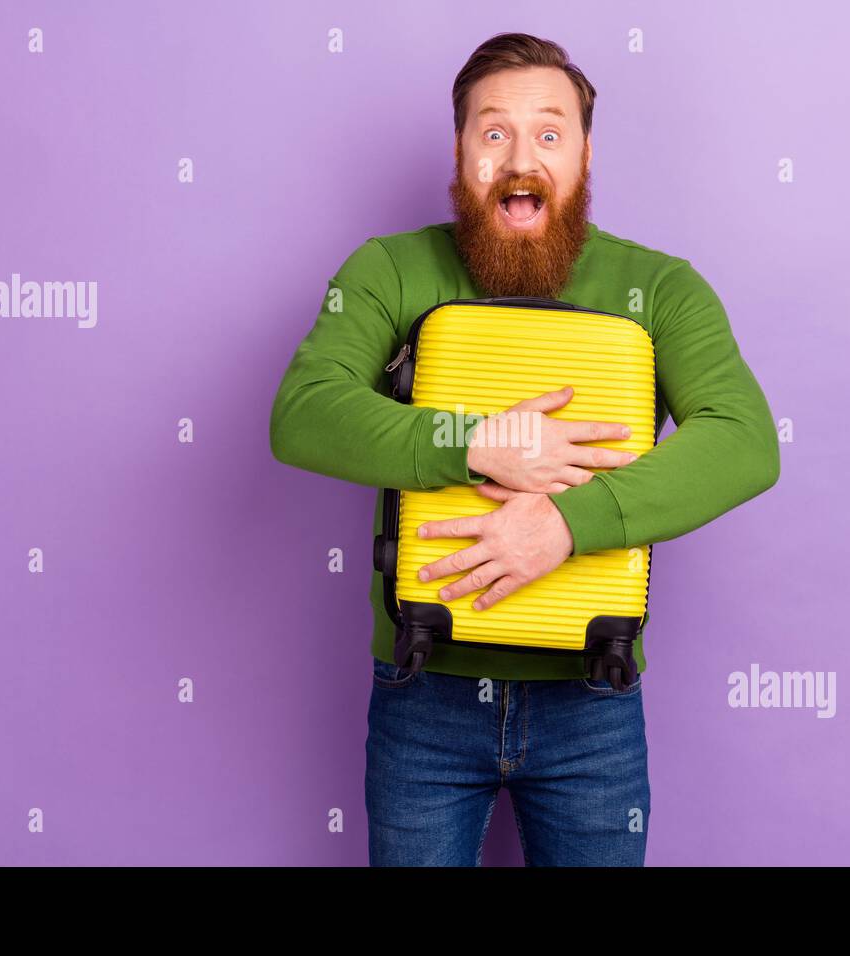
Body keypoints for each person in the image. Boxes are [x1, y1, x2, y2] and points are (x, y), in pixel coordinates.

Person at [270, 32, 780, 866]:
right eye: (493, 131)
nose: (521, 156)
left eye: (550, 132)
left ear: (585, 153)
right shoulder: (389, 270)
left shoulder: (663, 289)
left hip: (593, 704)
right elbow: (305, 413)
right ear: (462, 148)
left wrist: (569, 525)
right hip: (422, 693)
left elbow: (746, 441)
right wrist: (479, 444)